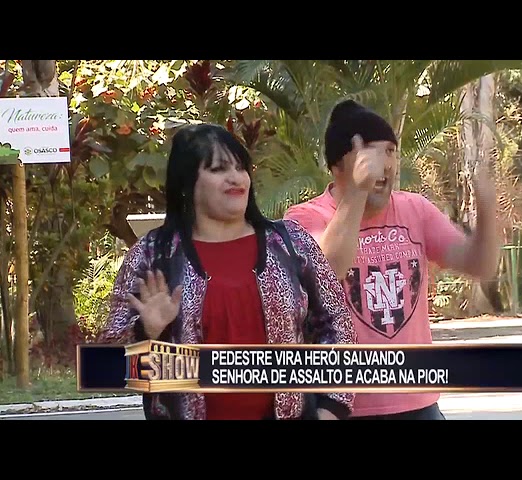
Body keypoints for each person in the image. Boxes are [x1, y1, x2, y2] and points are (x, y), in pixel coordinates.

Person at [97, 123, 357, 420]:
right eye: (218, 169)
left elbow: (337, 323)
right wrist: (147, 332)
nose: (235, 178)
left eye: (240, 167)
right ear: (187, 182)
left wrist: (331, 408)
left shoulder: (291, 243)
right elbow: (106, 365)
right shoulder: (153, 254)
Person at [283, 99, 500, 420]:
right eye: (371, 152)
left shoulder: (415, 209)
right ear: (337, 165)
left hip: (418, 403)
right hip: (340, 407)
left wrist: (487, 209)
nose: (384, 165)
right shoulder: (304, 217)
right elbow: (326, 274)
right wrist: (357, 192)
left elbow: (480, 265)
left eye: (390, 152)